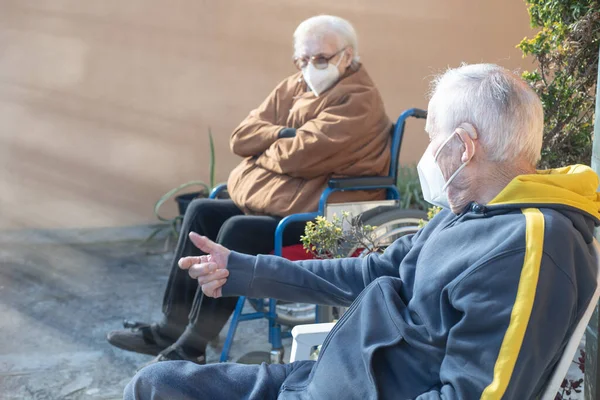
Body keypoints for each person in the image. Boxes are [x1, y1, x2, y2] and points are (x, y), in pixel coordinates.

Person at [124, 63, 600, 399]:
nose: (430, 152)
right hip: (319, 379)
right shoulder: (471, 213)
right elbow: (371, 270)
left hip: (346, 388)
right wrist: (242, 270)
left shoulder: (531, 243)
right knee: (154, 383)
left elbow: (476, 393)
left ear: (465, 145)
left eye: (434, 137)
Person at [107, 15, 392, 365]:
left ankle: (193, 345)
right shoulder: (293, 87)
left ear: (347, 57)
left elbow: (300, 156)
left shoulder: (358, 99)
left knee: (236, 231)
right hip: (284, 205)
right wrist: (281, 135)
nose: (309, 68)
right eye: (302, 60)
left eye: (320, 59)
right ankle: (169, 327)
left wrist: (267, 149)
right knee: (202, 211)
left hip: (329, 219)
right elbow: (242, 136)